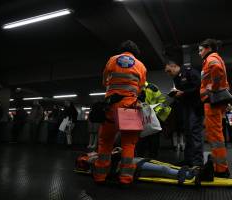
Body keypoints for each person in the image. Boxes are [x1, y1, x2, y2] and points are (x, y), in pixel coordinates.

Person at [93, 40, 147, 185]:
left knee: (105, 141)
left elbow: (105, 82)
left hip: (111, 106)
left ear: (121, 50)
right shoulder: (141, 65)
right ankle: (125, 178)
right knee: (129, 143)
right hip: (130, 106)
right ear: (135, 52)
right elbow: (141, 87)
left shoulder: (112, 60)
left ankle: (100, 177)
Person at [76, 147, 214, 185]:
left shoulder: (99, 157)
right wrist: (115, 153)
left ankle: (197, 172)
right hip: (133, 169)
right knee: (163, 169)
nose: (93, 151)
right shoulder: (94, 162)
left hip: (136, 162)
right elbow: (110, 168)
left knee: (164, 165)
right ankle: (191, 176)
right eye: (90, 153)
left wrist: (116, 150)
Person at [199, 38, 231, 178]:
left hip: (212, 101)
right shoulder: (215, 58)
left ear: (209, 48)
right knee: (215, 135)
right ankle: (220, 167)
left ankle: (222, 170)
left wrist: (213, 88)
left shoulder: (211, 58)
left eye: (201, 50)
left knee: (215, 136)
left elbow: (217, 70)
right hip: (215, 101)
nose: (199, 53)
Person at [165, 60, 204, 167]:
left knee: (195, 133)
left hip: (195, 107)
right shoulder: (176, 78)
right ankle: (188, 160)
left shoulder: (190, 72)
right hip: (185, 107)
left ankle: (198, 162)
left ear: (174, 66)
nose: (168, 74)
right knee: (187, 133)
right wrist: (175, 94)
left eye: (169, 71)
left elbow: (200, 87)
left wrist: (184, 93)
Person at [136, 82, 172, 158]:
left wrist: (154, 111)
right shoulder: (133, 89)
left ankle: (153, 157)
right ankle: (141, 158)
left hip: (154, 115)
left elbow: (162, 102)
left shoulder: (152, 88)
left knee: (153, 137)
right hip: (141, 116)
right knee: (142, 138)